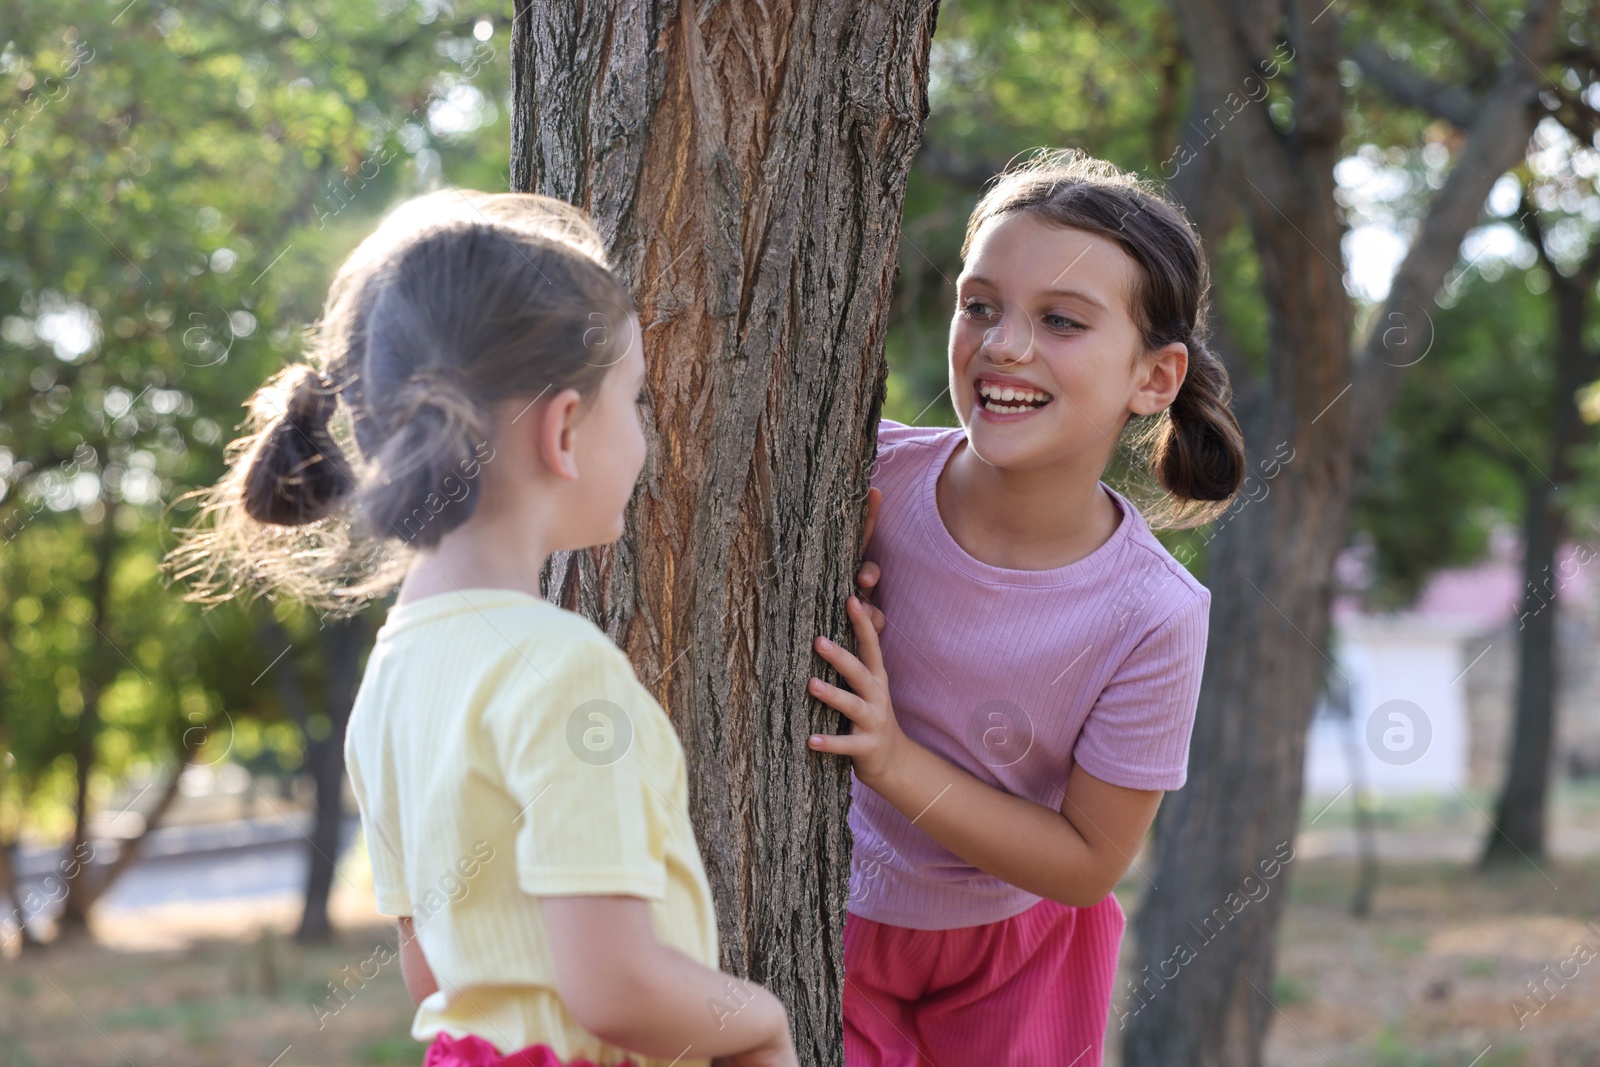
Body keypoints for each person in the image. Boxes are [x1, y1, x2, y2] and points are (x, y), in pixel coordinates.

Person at [165, 190, 798, 1067]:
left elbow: (432, 971)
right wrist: (759, 1017)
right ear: (566, 430)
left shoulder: (392, 677)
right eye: (637, 399)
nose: (647, 436)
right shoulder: (563, 669)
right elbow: (615, 988)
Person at [805, 149, 1247, 1066]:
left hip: (1021, 953)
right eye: (980, 305)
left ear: (1154, 378)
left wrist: (893, 759)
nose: (1005, 345)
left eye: (1061, 320)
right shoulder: (862, 475)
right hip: (820, 912)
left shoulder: (1154, 613)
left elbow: (1088, 861)